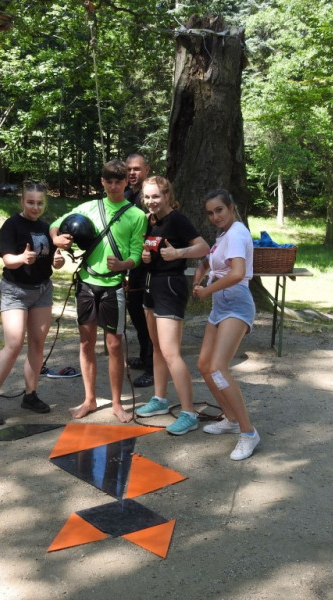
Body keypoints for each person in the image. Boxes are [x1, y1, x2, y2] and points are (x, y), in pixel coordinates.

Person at [50, 159, 147, 423]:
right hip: (86, 284)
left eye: (119, 181)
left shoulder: (136, 215)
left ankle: (116, 403)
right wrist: (56, 239)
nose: (113, 186)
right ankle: (89, 400)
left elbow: (137, 254)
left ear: (126, 182)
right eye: (109, 181)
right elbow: (56, 224)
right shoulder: (89, 207)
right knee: (86, 342)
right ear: (102, 182)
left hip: (113, 286)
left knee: (114, 345)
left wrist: (125, 264)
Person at [0, 183, 66, 426]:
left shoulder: (46, 228)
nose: (35, 207)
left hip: (42, 290)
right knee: (14, 343)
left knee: (37, 343)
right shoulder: (11, 225)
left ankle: (30, 395)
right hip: (15, 290)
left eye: (39, 203)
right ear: (22, 201)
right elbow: (8, 260)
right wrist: (21, 258)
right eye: (30, 202)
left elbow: (53, 260)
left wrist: (57, 261)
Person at [134, 176, 210, 435]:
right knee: (156, 347)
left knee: (170, 352)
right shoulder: (148, 220)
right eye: (147, 197)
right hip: (150, 285)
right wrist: (146, 256)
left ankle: (189, 413)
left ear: (167, 196)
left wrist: (178, 253)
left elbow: (203, 247)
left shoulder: (177, 219)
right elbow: (150, 251)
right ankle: (160, 399)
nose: (151, 201)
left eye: (156, 196)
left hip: (170, 286)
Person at [192, 189, 260, 460]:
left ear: (231, 207)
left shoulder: (237, 233)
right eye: (210, 213)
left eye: (219, 210)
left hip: (236, 303)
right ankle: (230, 419)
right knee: (204, 366)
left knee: (218, 368)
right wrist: (199, 277)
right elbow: (209, 261)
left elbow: (238, 273)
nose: (215, 216)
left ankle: (248, 433)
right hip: (220, 305)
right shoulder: (224, 236)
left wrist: (206, 291)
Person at [124, 153, 154, 388]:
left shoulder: (151, 195)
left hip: (151, 267)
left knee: (149, 319)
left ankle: (152, 368)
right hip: (132, 267)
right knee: (136, 315)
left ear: (146, 170)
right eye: (129, 169)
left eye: (136, 169)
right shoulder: (126, 196)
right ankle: (144, 357)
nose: (132, 173)